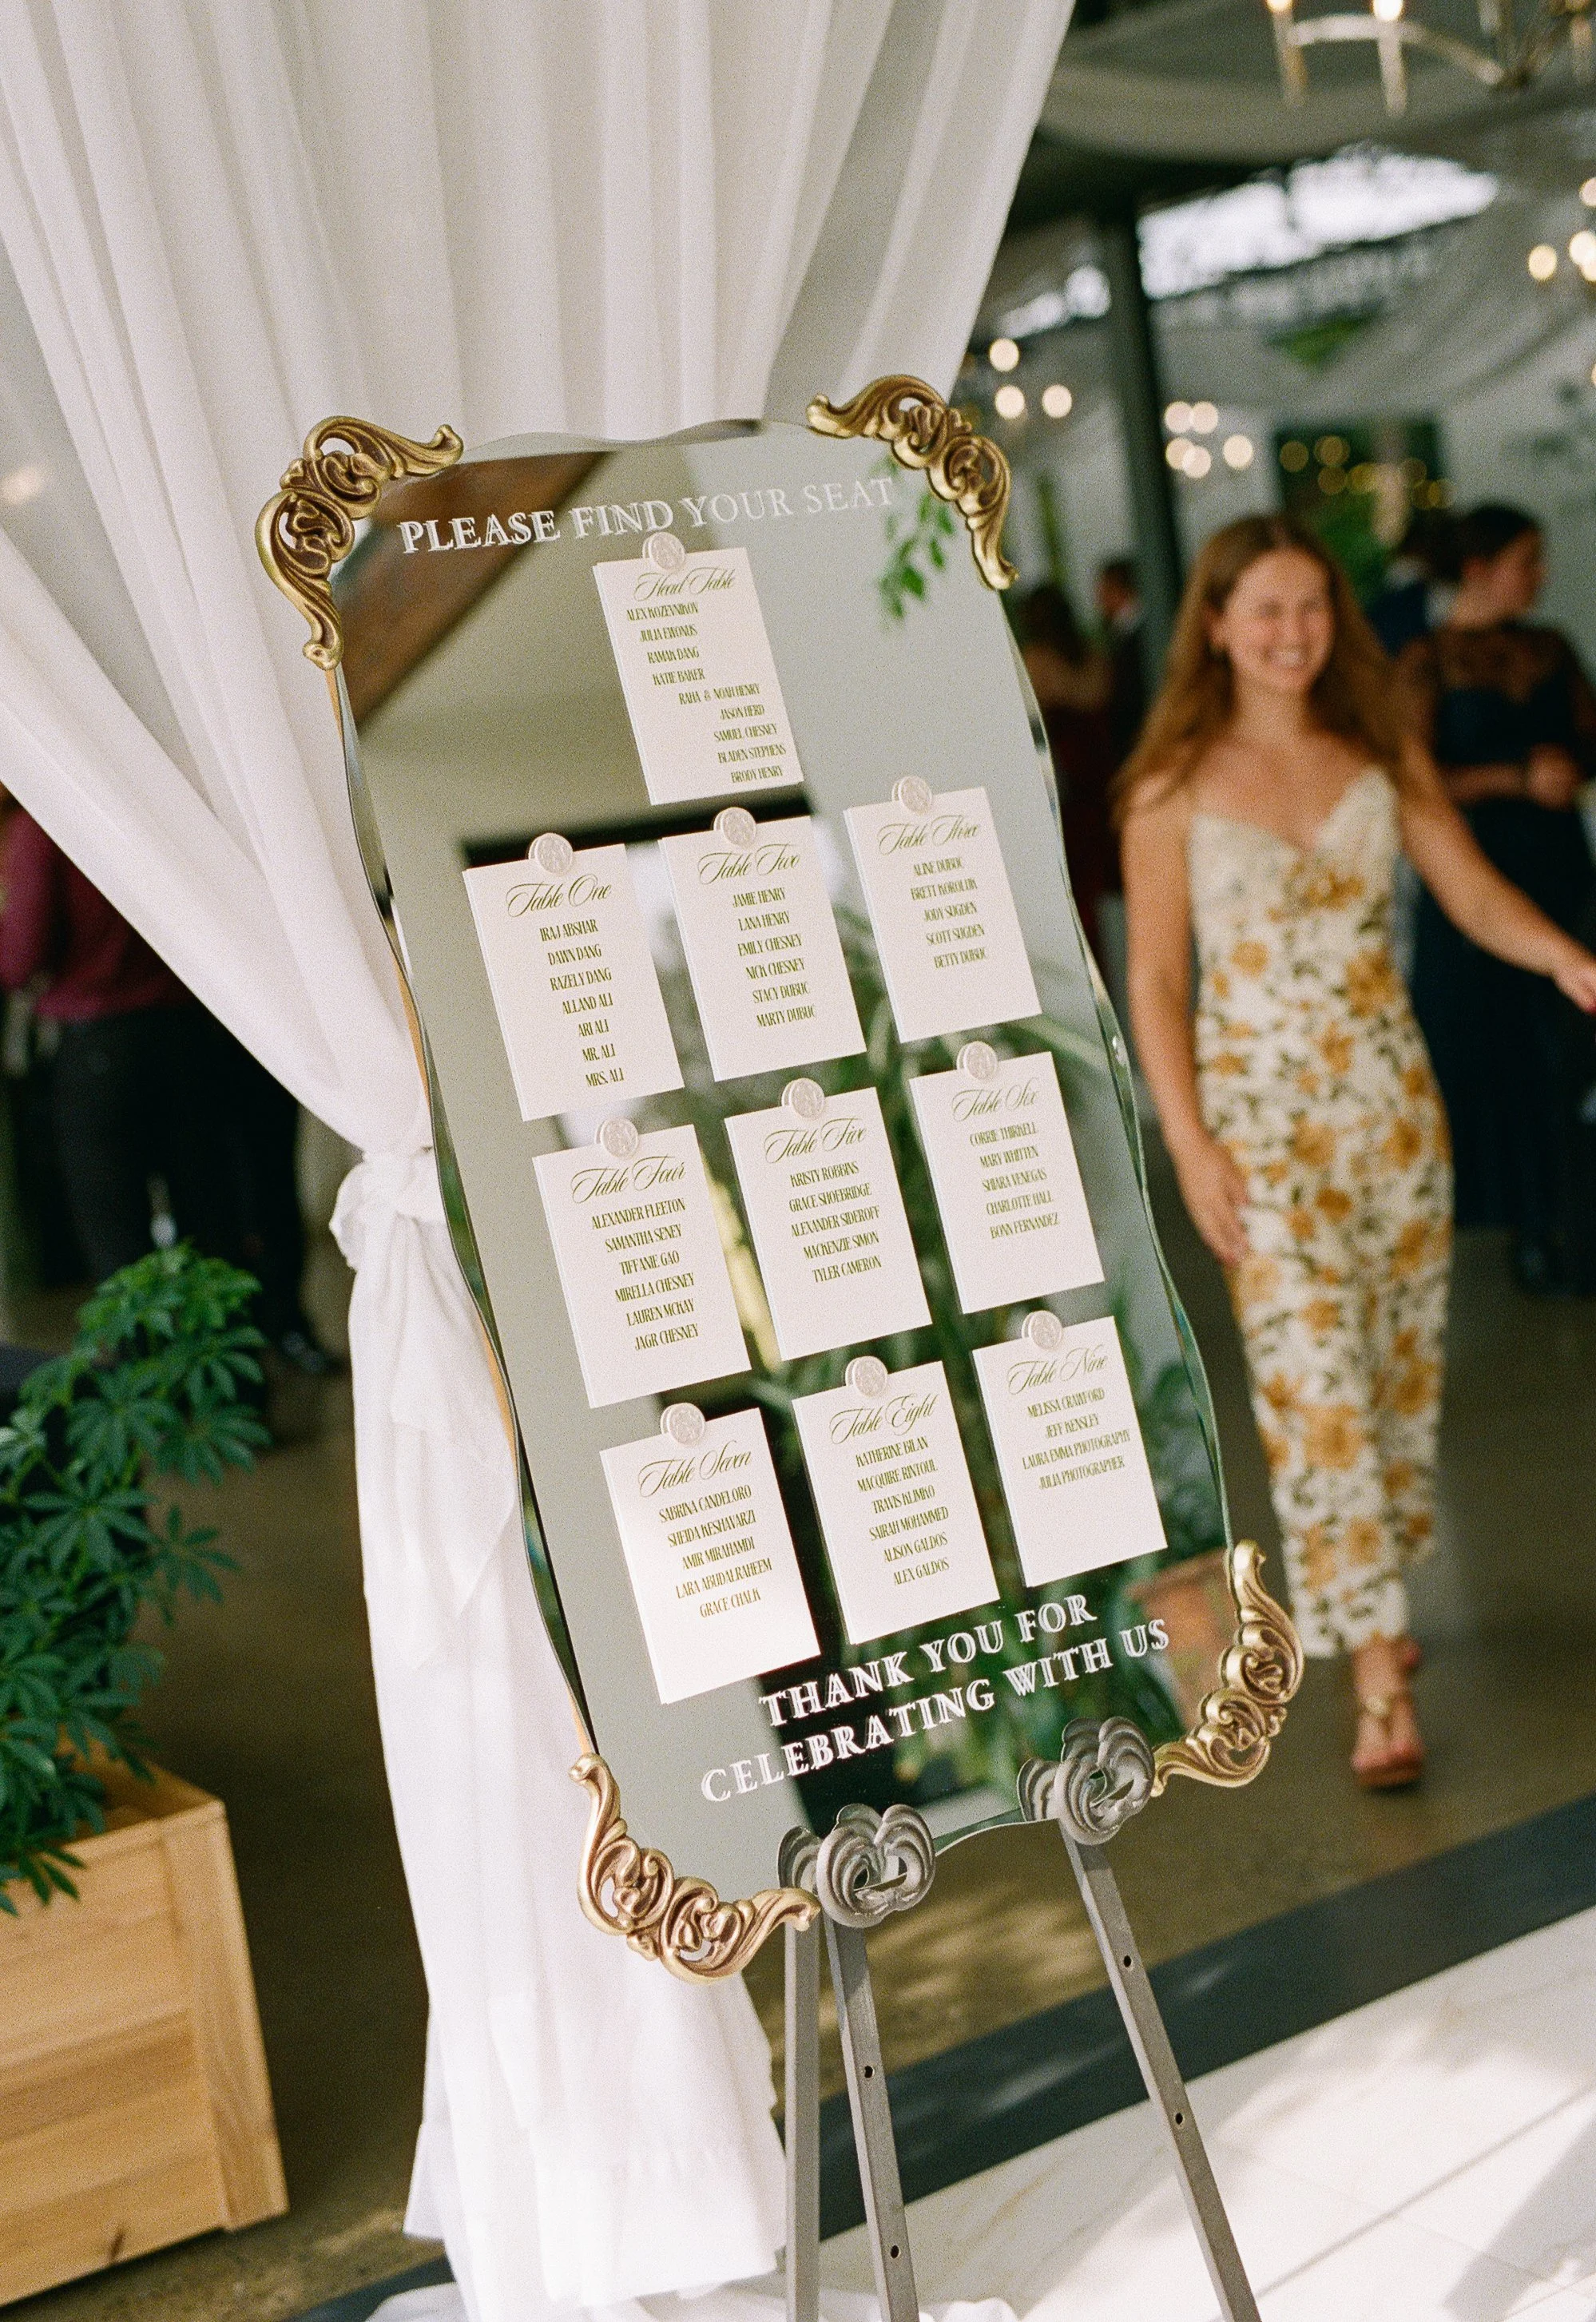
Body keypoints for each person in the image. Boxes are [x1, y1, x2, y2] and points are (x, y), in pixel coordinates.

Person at [1117, 515, 1596, 1788]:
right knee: (1312, 1393)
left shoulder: (1377, 747)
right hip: (1258, 1133)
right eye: (1263, 610)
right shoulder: (1168, 786)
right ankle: (1377, 1667)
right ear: (1213, 624)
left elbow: (1466, 886)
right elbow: (1156, 979)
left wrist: (1564, 954)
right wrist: (1190, 1142)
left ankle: (1372, 1590)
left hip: (1389, 1114)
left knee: (1386, 1389)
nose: (1290, 634)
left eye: (1310, 609)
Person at [1398, 503, 1596, 1293]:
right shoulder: (1424, 661)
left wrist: (1565, 768)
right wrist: (1513, 778)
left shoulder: (1552, 648)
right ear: (1478, 569)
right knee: (1499, 1053)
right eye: (1527, 560)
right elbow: (1409, 781)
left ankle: (1579, 1212)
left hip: (1557, 865)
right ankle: (1527, 1223)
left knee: (1568, 1045)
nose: (1539, 575)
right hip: (1473, 870)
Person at [1018, 584, 1118, 970]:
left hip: (1063, 788)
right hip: (1098, 781)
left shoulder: (1035, 662)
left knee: (1072, 889)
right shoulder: (1092, 658)